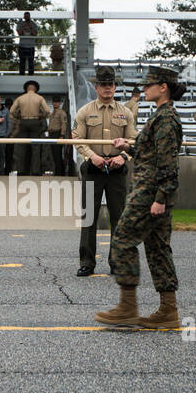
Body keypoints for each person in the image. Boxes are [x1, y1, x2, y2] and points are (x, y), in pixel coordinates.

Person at [95, 67, 184, 329]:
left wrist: (161, 198)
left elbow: (169, 165)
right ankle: (169, 311)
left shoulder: (166, 119)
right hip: (153, 191)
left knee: (122, 239)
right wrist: (129, 147)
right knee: (157, 248)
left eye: (149, 85)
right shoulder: (162, 117)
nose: (144, 89)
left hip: (149, 193)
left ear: (163, 87)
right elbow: (152, 153)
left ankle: (127, 306)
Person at [73, 66, 137, 276]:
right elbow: (78, 138)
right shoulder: (85, 111)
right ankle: (87, 262)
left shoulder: (125, 112)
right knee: (88, 217)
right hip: (93, 167)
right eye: (103, 84)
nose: (108, 88)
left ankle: (117, 262)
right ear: (96, 86)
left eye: (111, 84)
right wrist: (93, 156)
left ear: (115, 86)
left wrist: (123, 157)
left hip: (117, 169)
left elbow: (133, 141)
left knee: (119, 218)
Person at [9, 79, 50, 175]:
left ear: (26, 89)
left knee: (22, 147)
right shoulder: (39, 98)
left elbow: (12, 111)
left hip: (23, 122)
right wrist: (41, 117)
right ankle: (35, 171)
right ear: (35, 89)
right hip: (35, 121)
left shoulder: (20, 98)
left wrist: (18, 117)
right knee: (35, 148)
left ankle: (21, 170)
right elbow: (47, 111)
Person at [46, 97, 72, 176]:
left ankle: (60, 173)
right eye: (54, 102)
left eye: (57, 102)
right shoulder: (52, 113)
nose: (55, 104)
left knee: (58, 155)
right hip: (51, 134)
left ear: (59, 103)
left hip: (58, 134)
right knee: (54, 154)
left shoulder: (62, 113)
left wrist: (62, 135)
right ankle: (57, 171)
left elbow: (64, 124)